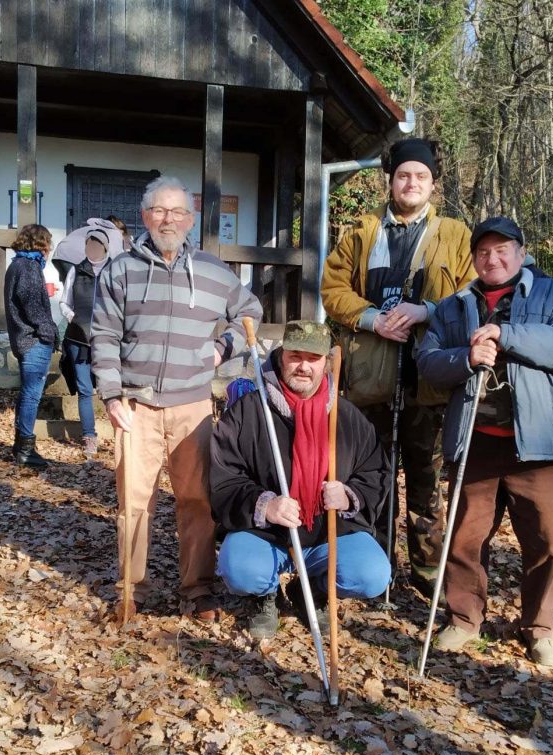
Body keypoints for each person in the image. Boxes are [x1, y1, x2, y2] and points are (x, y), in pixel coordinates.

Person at [416, 216, 553, 667]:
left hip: (537, 446)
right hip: (475, 442)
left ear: (520, 252)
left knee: (544, 541)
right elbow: (429, 362)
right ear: (474, 257)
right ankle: (463, 618)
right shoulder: (453, 306)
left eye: (502, 250)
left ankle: (540, 629)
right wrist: (466, 357)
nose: (492, 259)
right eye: (483, 252)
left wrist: (505, 334)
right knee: (464, 537)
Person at [90, 176, 263, 621]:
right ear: (145, 216)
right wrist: (110, 396)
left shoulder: (212, 270)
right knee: (134, 501)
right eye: (159, 211)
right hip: (135, 404)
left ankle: (197, 589)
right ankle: (132, 589)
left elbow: (250, 314)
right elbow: (104, 336)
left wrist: (224, 347)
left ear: (190, 218)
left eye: (177, 212)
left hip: (192, 406)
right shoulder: (119, 270)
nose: (168, 220)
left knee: (197, 500)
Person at [321, 137, 476, 598]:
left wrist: (427, 311)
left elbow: (471, 291)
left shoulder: (456, 235)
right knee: (374, 477)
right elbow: (332, 289)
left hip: (427, 382)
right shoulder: (361, 230)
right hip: (370, 380)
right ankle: (376, 566)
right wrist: (373, 319)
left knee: (427, 482)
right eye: (404, 175)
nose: (412, 183)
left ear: (433, 184)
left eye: (421, 177)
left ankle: (429, 576)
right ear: (390, 180)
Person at [210, 321, 392, 640]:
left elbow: (376, 471)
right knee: (239, 567)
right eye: (296, 356)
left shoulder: (347, 416)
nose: (304, 366)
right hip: (265, 532)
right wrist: (264, 504)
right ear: (281, 357)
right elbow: (223, 474)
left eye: (314, 358)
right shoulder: (249, 411)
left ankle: (313, 590)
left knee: (372, 575)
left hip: (329, 530)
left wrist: (350, 496)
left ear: (326, 363)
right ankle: (264, 596)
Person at [4, 224, 59, 468]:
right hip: (34, 340)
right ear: (40, 243)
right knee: (31, 395)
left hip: (26, 338)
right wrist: (49, 332)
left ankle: (20, 445)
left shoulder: (19, 265)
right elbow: (31, 305)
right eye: (48, 242)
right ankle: (25, 449)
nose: (49, 248)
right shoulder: (27, 267)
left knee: (28, 393)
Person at [59, 228, 111, 458]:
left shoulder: (115, 271)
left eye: (97, 245)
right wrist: (74, 318)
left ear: (105, 248)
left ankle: (122, 436)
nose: (93, 249)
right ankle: (89, 437)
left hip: (107, 341)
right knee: (84, 389)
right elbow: (64, 302)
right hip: (77, 339)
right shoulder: (76, 271)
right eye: (89, 245)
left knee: (111, 389)